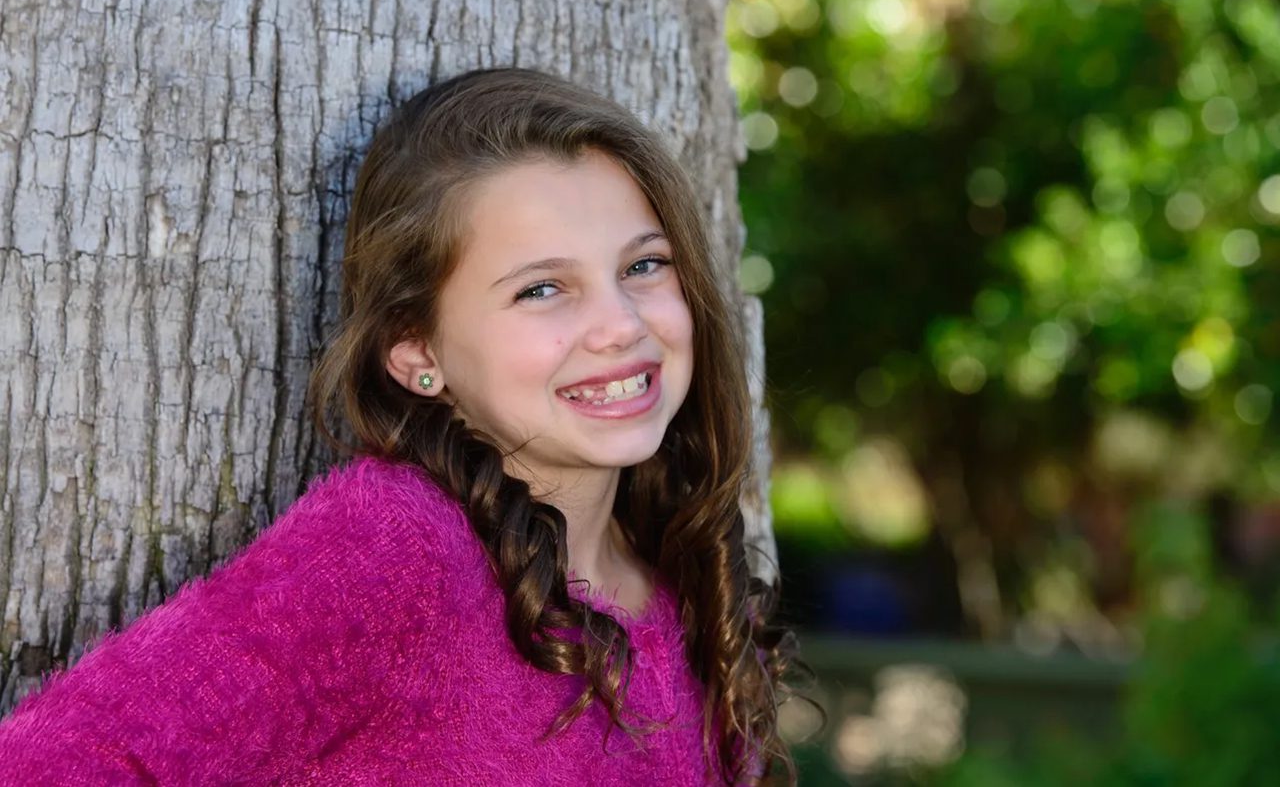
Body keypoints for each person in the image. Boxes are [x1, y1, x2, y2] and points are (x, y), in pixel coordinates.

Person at [0, 67, 798, 785]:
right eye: (541, 290)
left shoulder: (686, 578)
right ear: (416, 348)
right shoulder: (396, 551)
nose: (620, 325)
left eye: (642, 266)